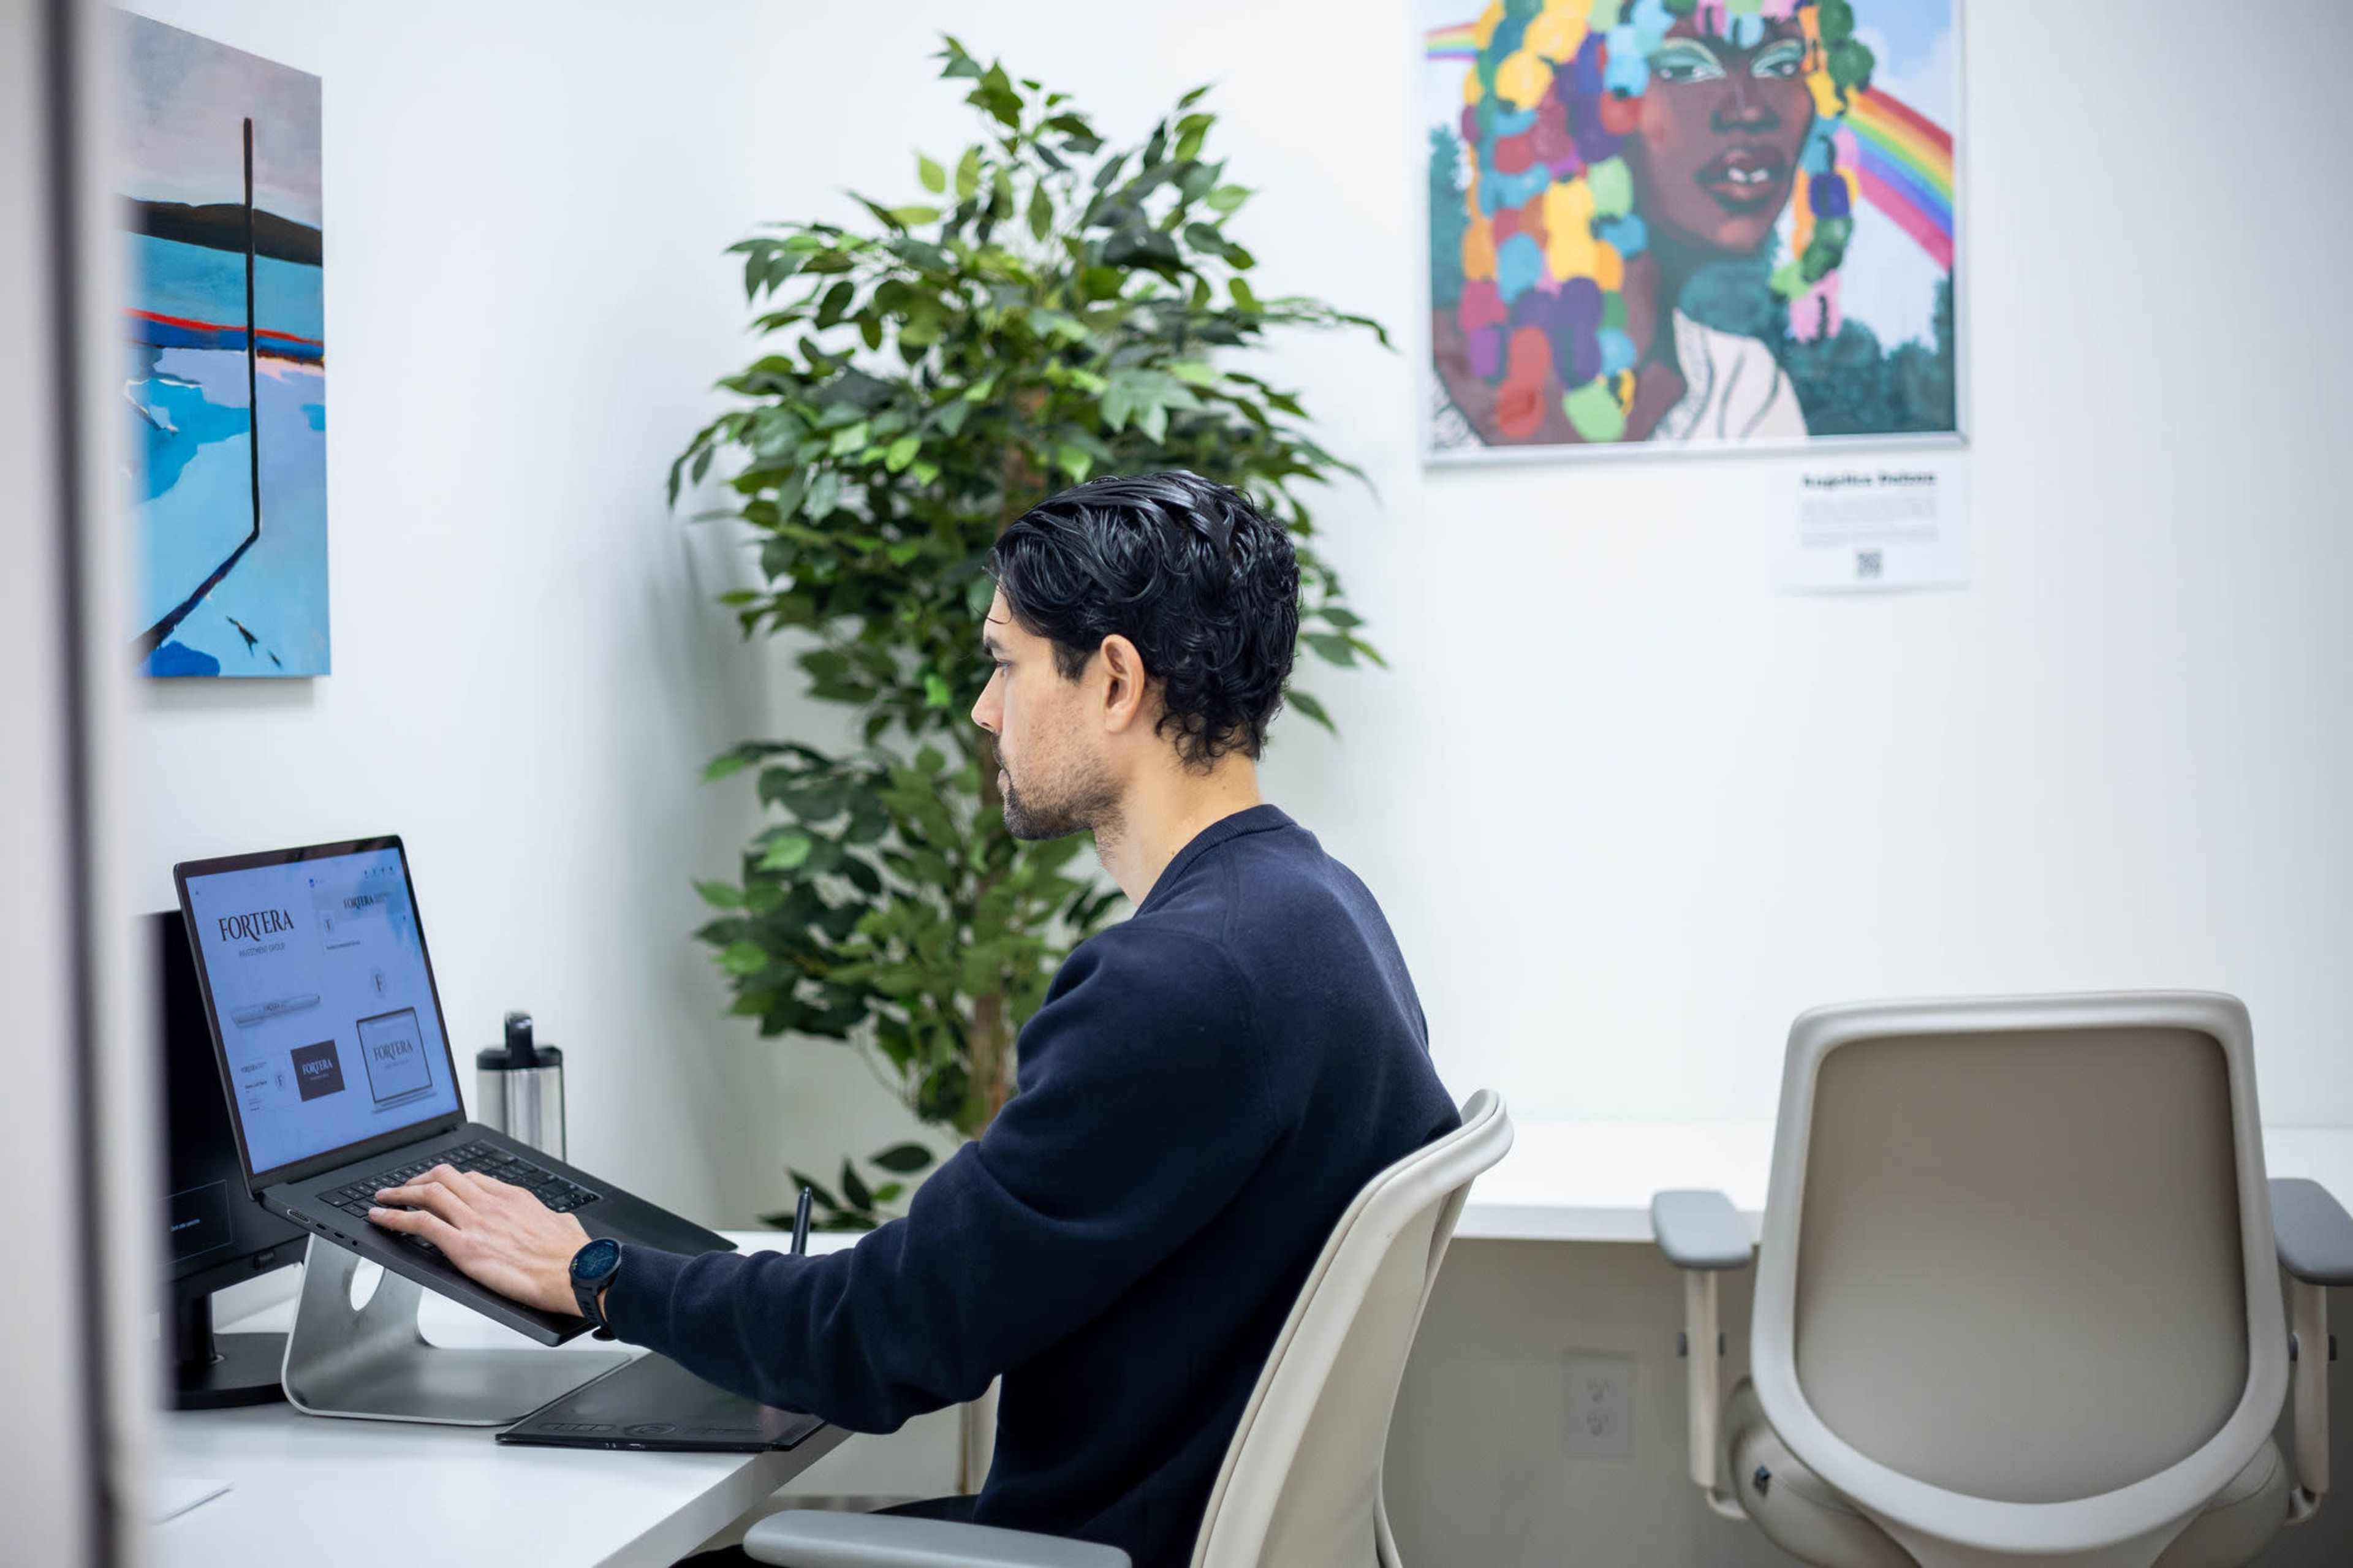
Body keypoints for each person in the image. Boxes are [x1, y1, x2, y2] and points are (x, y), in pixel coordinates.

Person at [363, 471, 1462, 1568]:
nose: (986, 709)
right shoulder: (1322, 912)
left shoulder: (1177, 984)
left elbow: (888, 1334)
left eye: (1004, 662)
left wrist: (597, 1269)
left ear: (1116, 679)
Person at [1431, 0, 1876, 447]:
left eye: (1780, 64)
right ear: (1560, 98)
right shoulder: (1413, 383)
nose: (1750, 108)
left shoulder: (1746, 392)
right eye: (1683, 66)